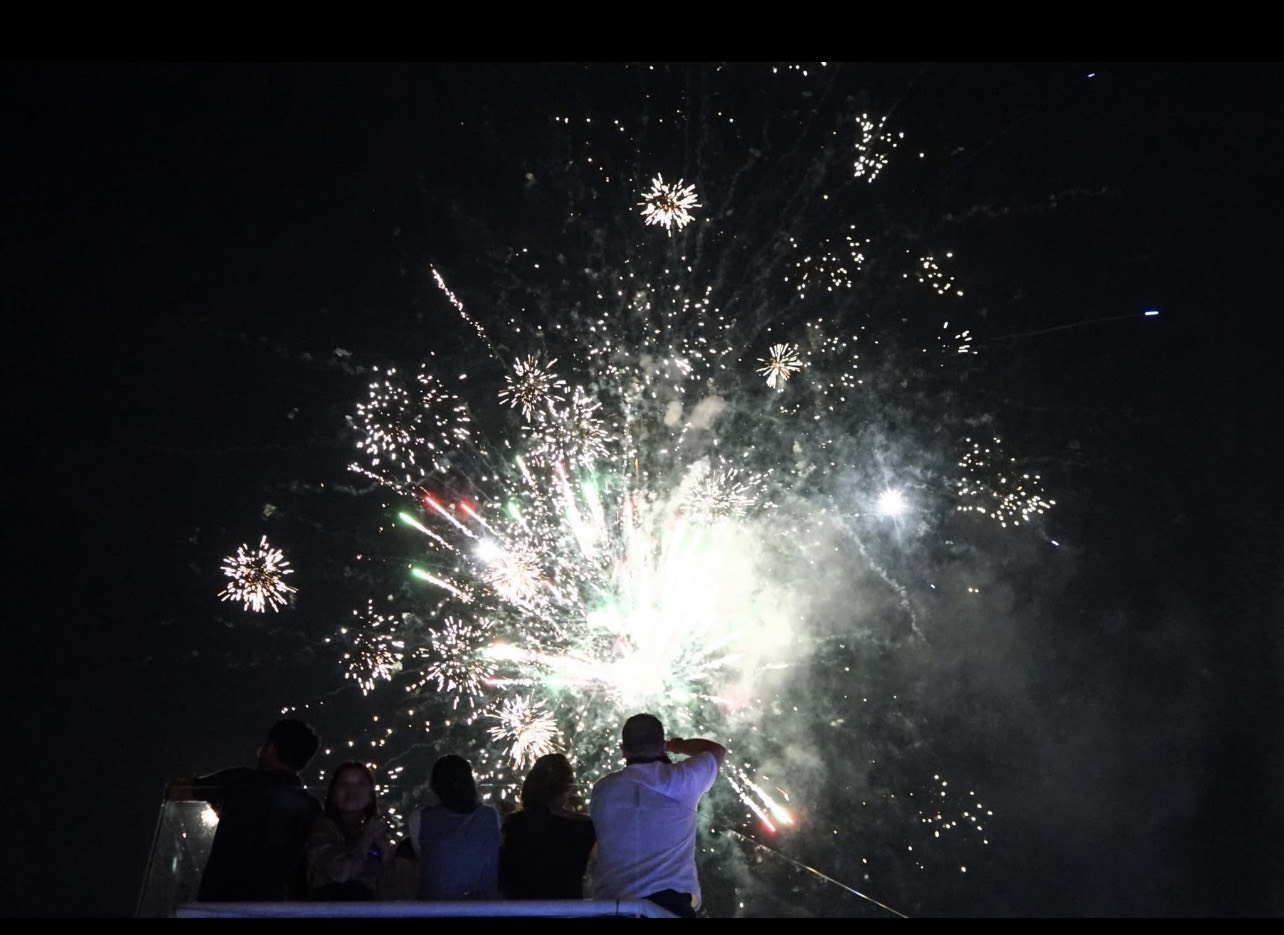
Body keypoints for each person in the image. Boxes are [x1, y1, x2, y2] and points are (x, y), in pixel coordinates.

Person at [166, 717, 322, 903]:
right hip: (275, 905)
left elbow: (177, 792)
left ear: (270, 747)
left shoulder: (239, 781)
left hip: (220, 901)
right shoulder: (311, 806)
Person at [588, 713, 726, 918]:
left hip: (612, 907)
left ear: (623, 750)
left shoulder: (603, 789)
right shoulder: (681, 780)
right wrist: (675, 745)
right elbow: (716, 750)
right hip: (668, 907)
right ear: (661, 746)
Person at [499, 752, 597, 900]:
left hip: (521, 909)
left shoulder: (514, 823)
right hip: (567, 909)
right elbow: (595, 862)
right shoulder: (583, 826)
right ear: (568, 787)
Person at [407, 753, 501, 900]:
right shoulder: (491, 816)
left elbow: (424, 856)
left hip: (435, 911)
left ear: (435, 786)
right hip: (483, 910)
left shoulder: (419, 819)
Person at [304, 760, 397, 900]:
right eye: (344, 784)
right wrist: (366, 839)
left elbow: (389, 888)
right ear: (333, 793)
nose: (352, 791)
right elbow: (342, 873)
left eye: (360, 784)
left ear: (371, 795)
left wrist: (386, 852)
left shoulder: (369, 831)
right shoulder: (323, 828)